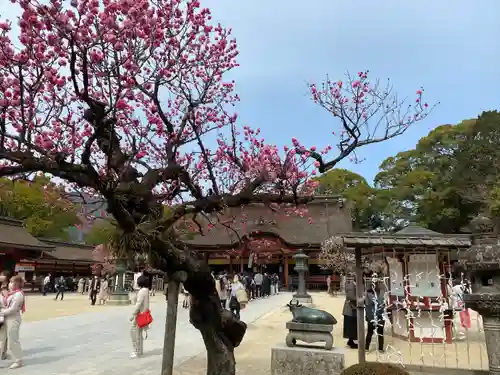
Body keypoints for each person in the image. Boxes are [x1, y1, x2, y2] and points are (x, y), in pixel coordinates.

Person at [0, 275, 26, 369]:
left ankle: (18, 360)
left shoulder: (18, 294)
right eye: (9, 282)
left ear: (17, 284)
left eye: (12, 282)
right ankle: (3, 355)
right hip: (4, 318)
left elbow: (13, 309)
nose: (10, 284)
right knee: (2, 339)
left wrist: (2, 312)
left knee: (12, 340)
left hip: (13, 318)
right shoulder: (10, 293)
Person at [130, 275, 150, 359]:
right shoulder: (146, 290)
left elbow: (138, 303)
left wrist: (133, 314)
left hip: (140, 315)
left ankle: (136, 351)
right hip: (144, 314)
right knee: (138, 332)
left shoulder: (142, 291)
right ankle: (139, 350)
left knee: (134, 332)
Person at [365, 282, 386, 353]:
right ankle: (369, 348)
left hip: (375, 315)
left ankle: (368, 348)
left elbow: (367, 306)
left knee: (375, 333)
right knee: (372, 332)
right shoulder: (370, 294)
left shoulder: (369, 293)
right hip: (375, 315)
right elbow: (367, 305)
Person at [343, 276, 358, 349]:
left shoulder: (349, 283)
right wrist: (361, 299)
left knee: (351, 326)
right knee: (352, 326)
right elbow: (351, 297)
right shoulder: (352, 285)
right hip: (351, 308)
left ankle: (350, 341)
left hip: (350, 308)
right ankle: (351, 342)